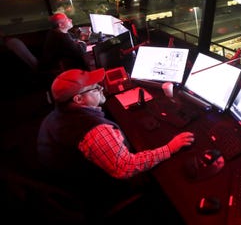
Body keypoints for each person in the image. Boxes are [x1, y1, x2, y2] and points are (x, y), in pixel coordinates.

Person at [36, 68, 195, 217]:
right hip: (98, 191)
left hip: (69, 180)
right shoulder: (93, 131)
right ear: (78, 99)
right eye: (94, 88)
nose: (101, 87)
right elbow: (125, 167)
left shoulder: (57, 115)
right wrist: (170, 148)